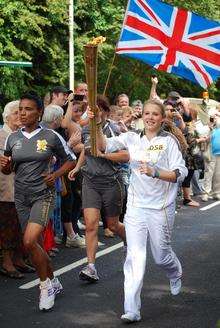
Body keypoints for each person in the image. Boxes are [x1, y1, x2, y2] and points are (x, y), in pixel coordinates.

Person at [92, 99, 188, 323]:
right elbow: (103, 146)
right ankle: (132, 309)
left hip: (161, 208)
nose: (150, 117)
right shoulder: (132, 137)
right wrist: (97, 122)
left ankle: (175, 272)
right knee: (135, 257)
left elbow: (179, 173)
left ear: (162, 118)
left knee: (161, 256)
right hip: (136, 208)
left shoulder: (168, 142)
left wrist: (155, 172)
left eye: (155, 114)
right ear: (142, 115)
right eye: (147, 113)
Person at [0, 93, 75, 311]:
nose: (23, 113)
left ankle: (45, 287)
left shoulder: (51, 136)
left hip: (43, 194)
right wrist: (5, 165)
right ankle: (53, 280)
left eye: (28, 109)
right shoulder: (13, 138)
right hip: (20, 196)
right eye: (21, 109)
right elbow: (9, 168)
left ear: (39, 112)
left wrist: (56, 174)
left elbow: (70, 160)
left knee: (29, 241)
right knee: (36, 245)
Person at [68, 95, 129, 282]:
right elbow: (86, 150)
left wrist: (104, 155)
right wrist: (78, 167)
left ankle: (130, 242)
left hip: (111, 181)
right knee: (91, 225)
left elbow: (125, 156)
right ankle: (91, 267)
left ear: (106, 112)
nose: (96, 113)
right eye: (92, 109)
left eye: (100, 109)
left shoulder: (114, 129)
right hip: (90, 182)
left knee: (112, 225)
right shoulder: (85, 129)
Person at [0, 100, 35, 279]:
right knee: (8, 226)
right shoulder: (1, 135)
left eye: (22, 112)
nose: (20, 116)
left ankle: (18, 259)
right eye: (16, 113)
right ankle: (6, 262)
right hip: (6, 190)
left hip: (24, 188)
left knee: (21, 225)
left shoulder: (22, 135)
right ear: (6, 117)